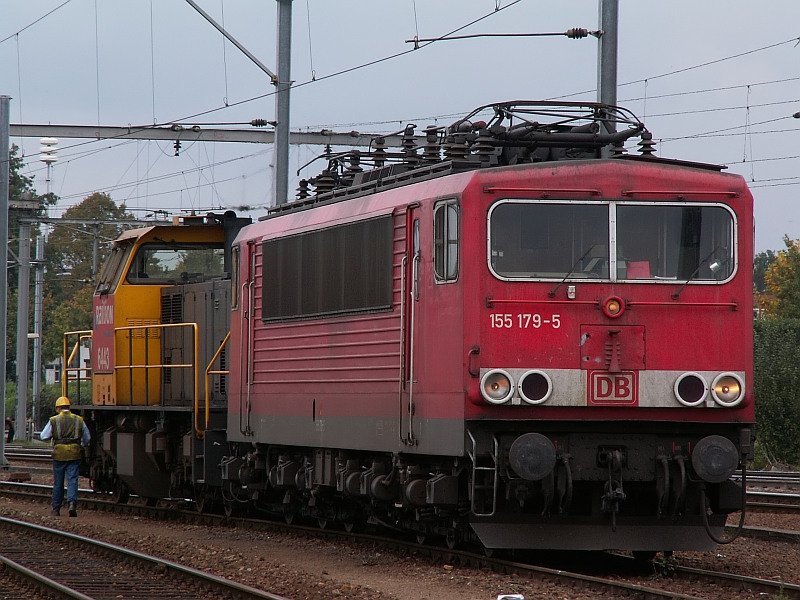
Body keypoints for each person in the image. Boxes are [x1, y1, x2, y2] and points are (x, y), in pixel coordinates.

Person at [39, 397, 90, 517]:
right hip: (74, 453)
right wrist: (81, 445)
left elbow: (43, 436)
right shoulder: (79, 420)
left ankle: (56, 508)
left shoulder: (54, 420)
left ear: (58, 408)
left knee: (58, 482)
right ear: (69, 407)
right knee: (72, 480)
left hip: (59, 454)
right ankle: (72, 503)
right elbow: (87, 438)